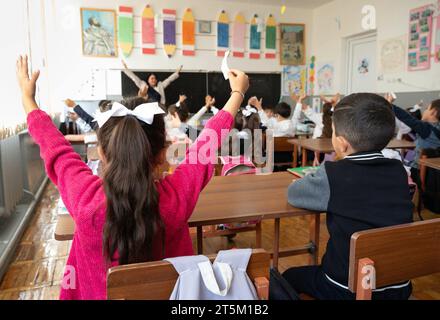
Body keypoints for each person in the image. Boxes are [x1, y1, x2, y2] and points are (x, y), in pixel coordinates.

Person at [16, 54, 249, 299]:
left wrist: (27, 98)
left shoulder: (85, 199)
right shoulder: (175, 199)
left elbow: (55, 146)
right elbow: (205, 145)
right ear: (162, 153)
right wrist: (237, 94)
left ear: (102, 153)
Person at [283, 93, 413, 300]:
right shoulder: (399, 171)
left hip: (344, 287)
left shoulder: (333, 174)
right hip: (399, 286)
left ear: (342, 144)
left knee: (289, 276)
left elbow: (294, 193)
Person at [387, 94, 440, 173]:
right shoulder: (434, 129)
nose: (424, 111)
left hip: (418, 170)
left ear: (434, 112)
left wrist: (389, 104)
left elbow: (407, 118)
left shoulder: (427, 129)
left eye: (427, 109)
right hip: (432, 170)